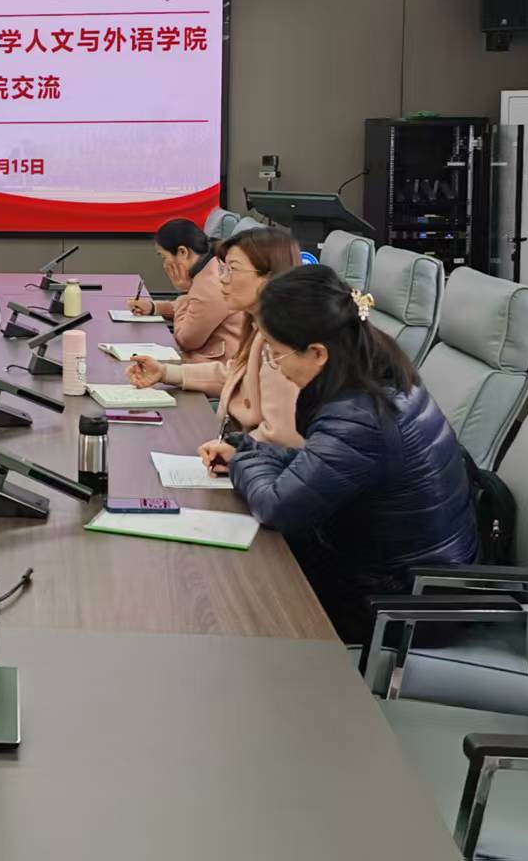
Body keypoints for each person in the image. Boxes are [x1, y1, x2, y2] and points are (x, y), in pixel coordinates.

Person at [201, 264, 478, 643]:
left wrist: (244, 460)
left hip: (399, 604)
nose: (276, 368)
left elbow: (277, 507)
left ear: (317, 353)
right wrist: (248, 450)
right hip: (401, 572)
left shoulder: (360, 417)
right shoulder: (378, 377)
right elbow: (319, 468)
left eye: (277, 355)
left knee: (237, 594)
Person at [125, 226, 303, 447]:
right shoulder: (259, 325)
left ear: (268, 277)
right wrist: (165, 372)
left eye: (232, 269)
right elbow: (233, 374)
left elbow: (279, 440)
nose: (223, 279)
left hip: (246, 455)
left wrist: (231, 451)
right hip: (231, 437)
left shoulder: (283, 345)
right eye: (223, 269)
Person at [124, 217, 245, 364]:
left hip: (219, 365)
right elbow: (195, 309)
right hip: (210, 358)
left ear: (182, 252)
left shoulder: (209, 285)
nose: (164, 265)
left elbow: (186, 340)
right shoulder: (211, 267)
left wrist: (183, 292)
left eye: (164, 257)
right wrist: (154, 307)